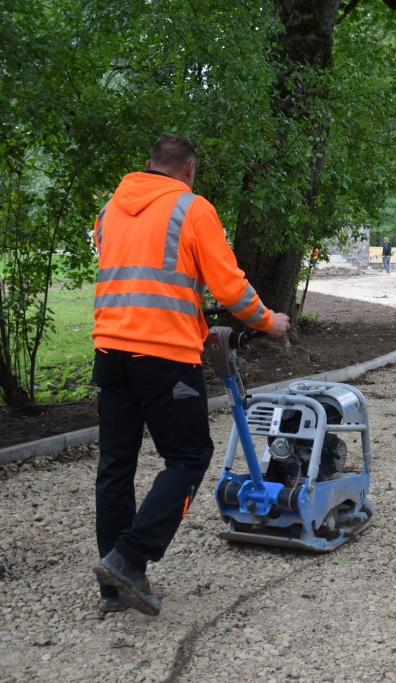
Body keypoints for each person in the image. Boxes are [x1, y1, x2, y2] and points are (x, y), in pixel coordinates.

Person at [90, 135, 290, 616]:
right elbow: (228, 285)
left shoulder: (110, 210)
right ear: (190, 169)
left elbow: (112, 258)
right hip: (163, 355)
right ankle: (130, 558)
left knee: (116, 465)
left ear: (147, 166)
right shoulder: (192, 209)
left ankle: (115, 588)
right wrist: (268, 321)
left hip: (110, 348)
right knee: (189, 456)